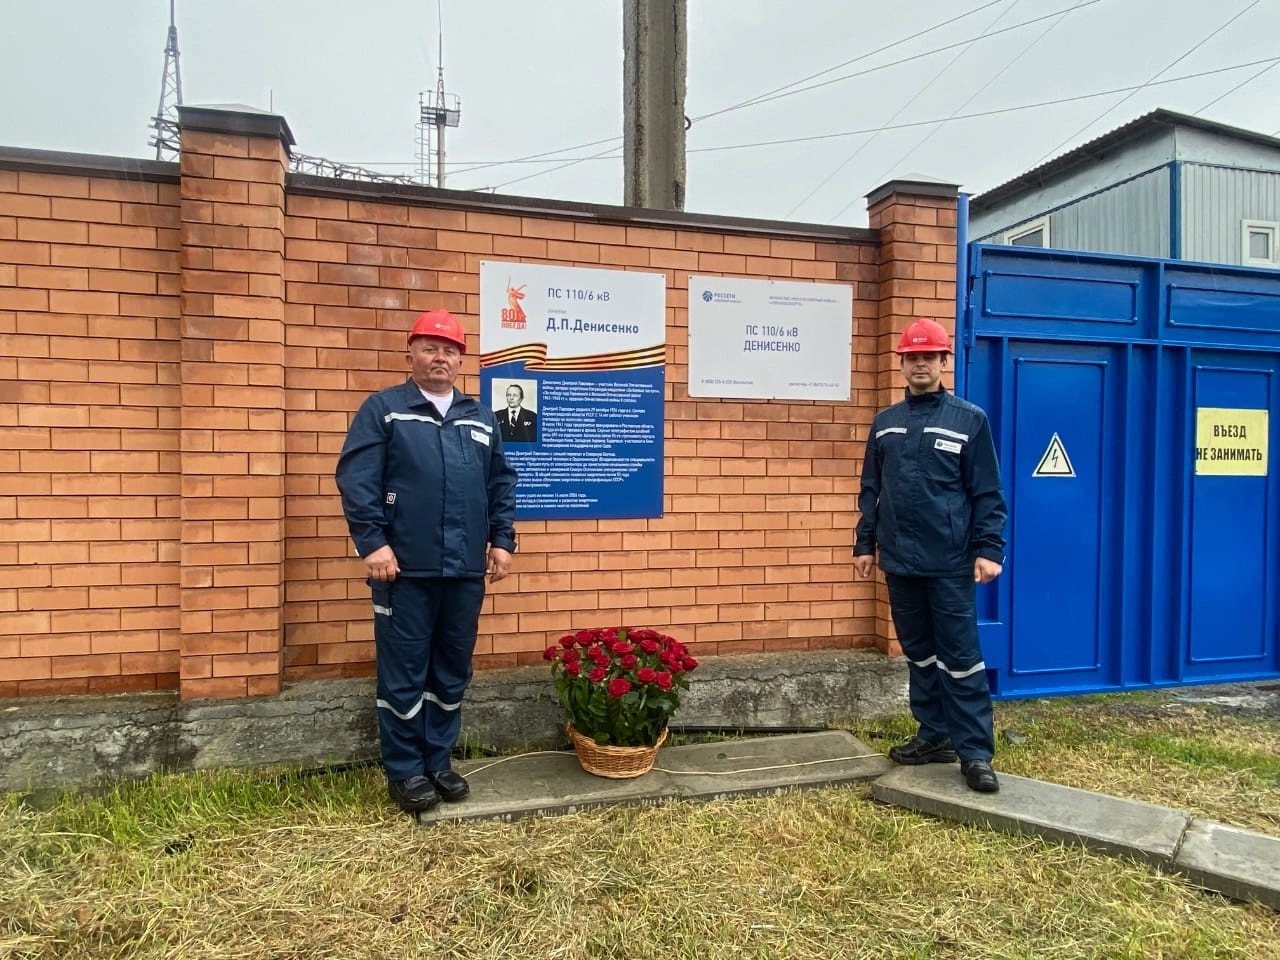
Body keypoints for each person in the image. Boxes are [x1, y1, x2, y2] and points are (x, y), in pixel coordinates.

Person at [335, 309, 518, 816]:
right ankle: (405, 770)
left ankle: (438, 761)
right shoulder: (385, 410)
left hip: (464, 571)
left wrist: (502, 540)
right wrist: (373, 544)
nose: (441, 357)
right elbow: (357, 480)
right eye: (431, 348)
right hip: (403, 571)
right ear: (410, 355)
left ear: (461, 360)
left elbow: (500, 482)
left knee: (451, 670)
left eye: (451, 350)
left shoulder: (479, 417)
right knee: (404, 672)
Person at [853, 317, 1008, 794]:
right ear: (901, 364)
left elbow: (987, 492)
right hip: (900, 562)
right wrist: (865, 543)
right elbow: (871, 490)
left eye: (929, 357)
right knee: (919, 654)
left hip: (950, 562)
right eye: (912, 357)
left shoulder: (969, 420)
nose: (920, 364)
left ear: (944, 362)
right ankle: (934, 735)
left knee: (961, 658)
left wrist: (989, 548)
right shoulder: (885, 423)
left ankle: (975, 753)